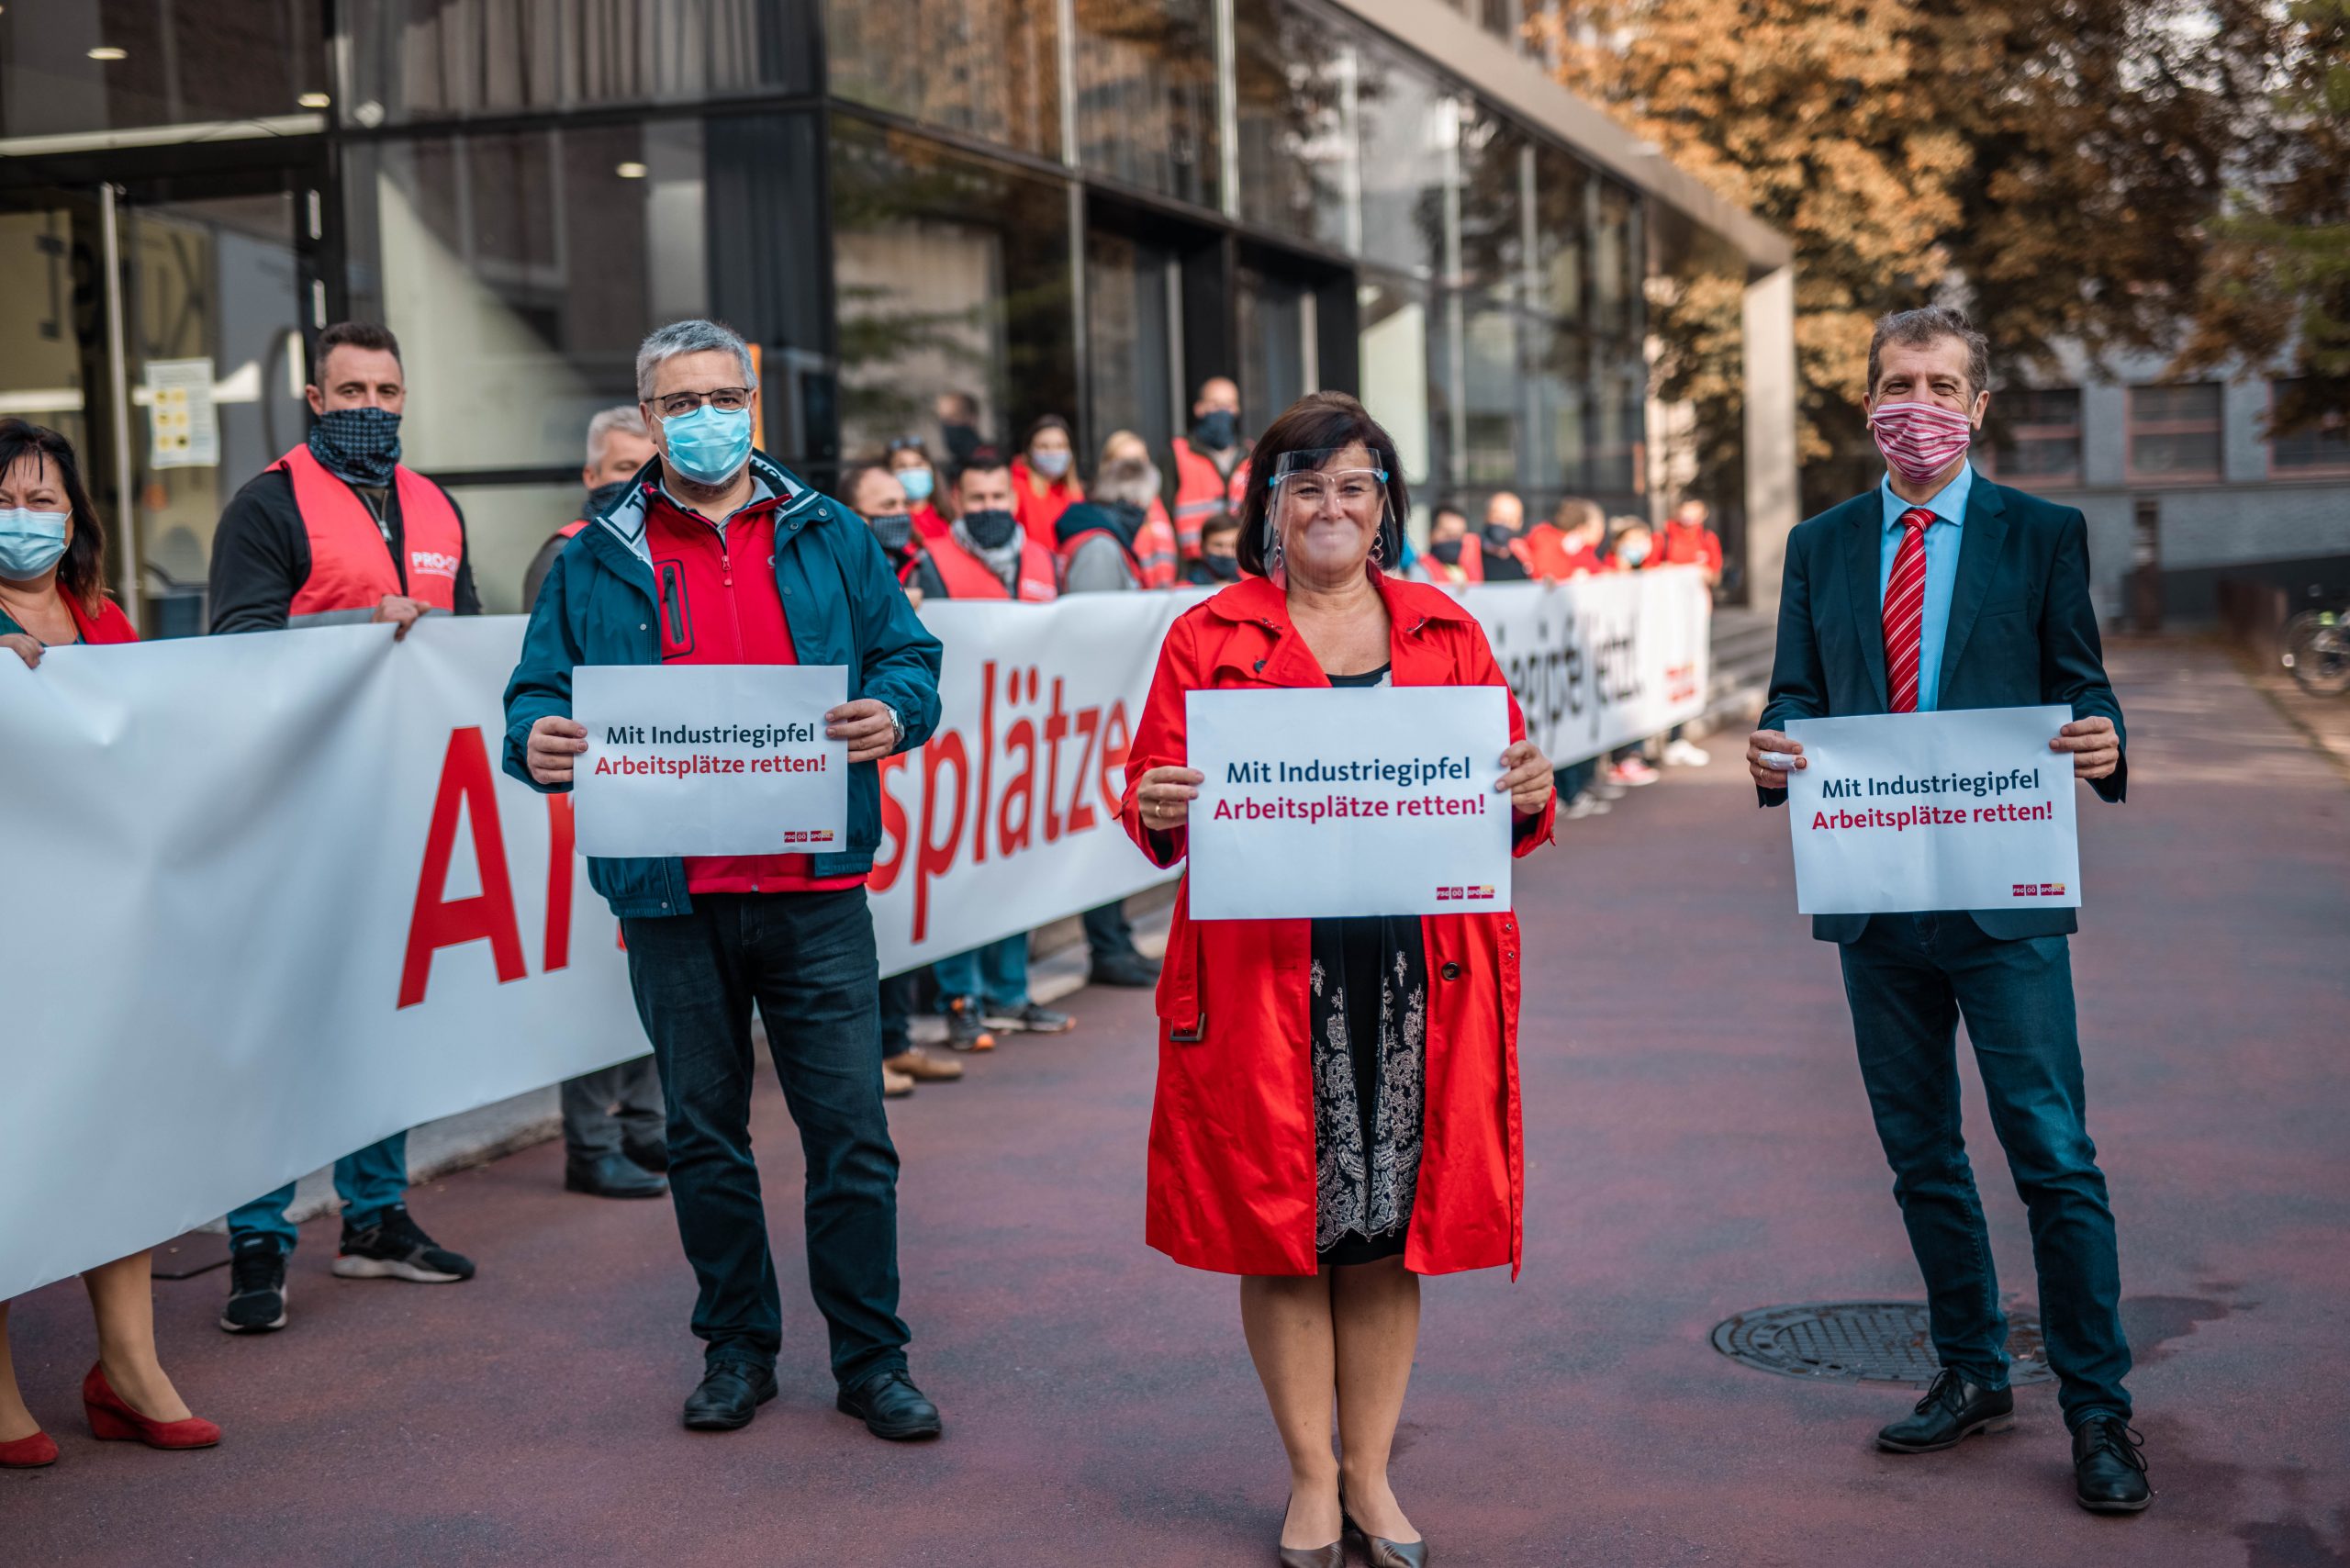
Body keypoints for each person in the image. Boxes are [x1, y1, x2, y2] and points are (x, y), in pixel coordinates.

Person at [1123, 392, 1557, 1565]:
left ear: (1385, 508)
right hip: (1270, 975)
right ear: (1268, 508)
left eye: (1353, 486)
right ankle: (1309, 1480)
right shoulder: (1206, 634)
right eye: (1304, 485)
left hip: (1415, 973)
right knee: (1284, 1229)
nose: (1330, 506)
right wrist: (1156, 802)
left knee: (1382, 1229)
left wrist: (1527, 789)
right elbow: (1149, 796)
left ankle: (1371, 1475)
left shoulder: (1444, 629)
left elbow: (1510, 786)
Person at [506, 319, 946, 1441]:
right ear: (647, 419)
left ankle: (871, 1359)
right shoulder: (594, 550)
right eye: (680, 401)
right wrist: (534, 740)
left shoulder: (833, 532)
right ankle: (738, 1348)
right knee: (705, 1134)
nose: (705, 418)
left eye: (723, 395)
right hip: (668, 895)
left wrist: (893, 710)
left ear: (752, 401)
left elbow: (911, 659)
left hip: (813, 890)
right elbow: (534, 691)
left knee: (849, 1133)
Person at [1746, 305, 2145, 1516]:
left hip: (2002, 900)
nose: (1912, 402)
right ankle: (1972, 1370)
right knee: (1921, 1155)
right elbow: (1793, 700)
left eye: (1937, 383)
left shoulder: (2042, 536)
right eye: (1892, 382)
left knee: (2054, 1155)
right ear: (1867, 401)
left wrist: (2102, 739)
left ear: (1976, 406)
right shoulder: (1819, 546)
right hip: (1877, 906)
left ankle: (2099, 1410)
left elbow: (2083, 687)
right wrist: (1771, 759)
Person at [207, 321, 478, 1335]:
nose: (370, 406)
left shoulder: (436, 503)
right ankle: (259, 1235)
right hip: (294, 810)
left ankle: (375, 1220)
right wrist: (346, 640)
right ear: (314, 400)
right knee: (284, 1024)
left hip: (405, 804)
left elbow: (471, 641)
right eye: (349, 389)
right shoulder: (265, 506)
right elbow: (234, 649)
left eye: (387, 389)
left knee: (387, 1016)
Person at [0, 423, 219, 1470]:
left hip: (106, 936)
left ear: (77, 517)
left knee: (113, 1138)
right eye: (6, 498)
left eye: (45, 501)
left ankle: (127, 1366)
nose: (26, 520)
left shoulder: (106, 621)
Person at [839, 457, 966, 1095]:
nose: (897, 515)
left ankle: (897, 1038)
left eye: (901, 502)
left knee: (903, 906)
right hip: (863, 770)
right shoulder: (843, 563)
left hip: (916, 752)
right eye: (880, 504)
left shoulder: (923, 559)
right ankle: (872, 1054)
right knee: (871, 912)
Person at [1048, 456, 1164, 990]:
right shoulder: (1099, 546)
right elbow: (1096, 631)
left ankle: (1114, 939)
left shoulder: (1103, 538)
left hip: (1104, 708)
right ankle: (1107, 945)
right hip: (1095, 707)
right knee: (1099, 828)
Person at [523, 407, 658, 612]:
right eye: (626, 467)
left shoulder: (679, 541)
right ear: (591, 476)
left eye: (649, 467)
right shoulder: (565, 552)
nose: (638, 480)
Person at [911, 449, 1059, 605]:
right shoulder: (928, 562)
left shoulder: (1047, 561)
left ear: (1013, 500)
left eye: (998, 496)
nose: (989, 507)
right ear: (957, 501)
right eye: (977, 498)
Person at [1169, 376, 1250, 561]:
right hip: (1195, 567)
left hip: (1240, 565)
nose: (1222, 412)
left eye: (1229, 405)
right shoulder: (1178, 453)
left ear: (1237, 409)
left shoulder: (1250, 454)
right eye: (1215, 404)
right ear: (1199, 408)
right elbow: (1165, 514)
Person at [1099, 428, 1180, 587]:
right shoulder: (1104, 509)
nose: (1136, 469)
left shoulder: (1157, 502)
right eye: (1126, 462)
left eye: (1140, 460)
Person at [1011, 415, 1084, 544]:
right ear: (1029, 451)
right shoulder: (1017, 487)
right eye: (1043, 446)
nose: (1053, 452)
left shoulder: (1074, 492)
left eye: (1060, 446)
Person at [886, 437, 949, 547]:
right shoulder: (889, 523)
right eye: (901, 466)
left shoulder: (950, 514)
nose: (911, 471)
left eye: (918, 464)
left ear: (931, 468)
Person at [1657, 496, 1724, 592]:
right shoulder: (1662, 538)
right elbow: (1649, 570)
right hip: (1669, 595)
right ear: (1678, 511)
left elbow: (1716, 577)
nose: (1689, 515)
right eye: (1686, 510)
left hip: (1697, 597)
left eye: (1694, 510)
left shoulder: (1708, 539)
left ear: (1703, 515)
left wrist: (1706, 573)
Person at [1417, 503, 1479, 586]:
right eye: (1448, 535)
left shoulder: (1468, 569)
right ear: (1431, 534)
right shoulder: (1420, 569)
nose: (1453, 540)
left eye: (1458, 536)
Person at [1476, 491, 1533, 581]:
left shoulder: (1525, 555)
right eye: (1498, 518)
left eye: (1511, 520)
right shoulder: (1470, 552)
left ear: (1519, 523)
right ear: (1486, 517)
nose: (1504, 524)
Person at [1185, 510, 1244, 587]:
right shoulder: (1186, 587)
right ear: (1202, 547)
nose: (1226, 552)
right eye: (1218, 545)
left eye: (1233, 546)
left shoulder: (1248, 584)